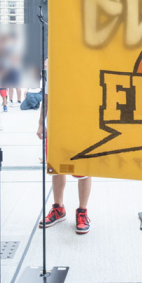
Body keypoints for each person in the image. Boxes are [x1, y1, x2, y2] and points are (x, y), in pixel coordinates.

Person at [38, 59, 91, 234]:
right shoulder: (54, 62)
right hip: (57, 125)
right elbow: (46, 97)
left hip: (81, 123)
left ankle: (82, 211)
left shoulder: (85, 59)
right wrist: (41, 123)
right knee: (57, 167)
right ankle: (58, 208)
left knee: (83, 169)